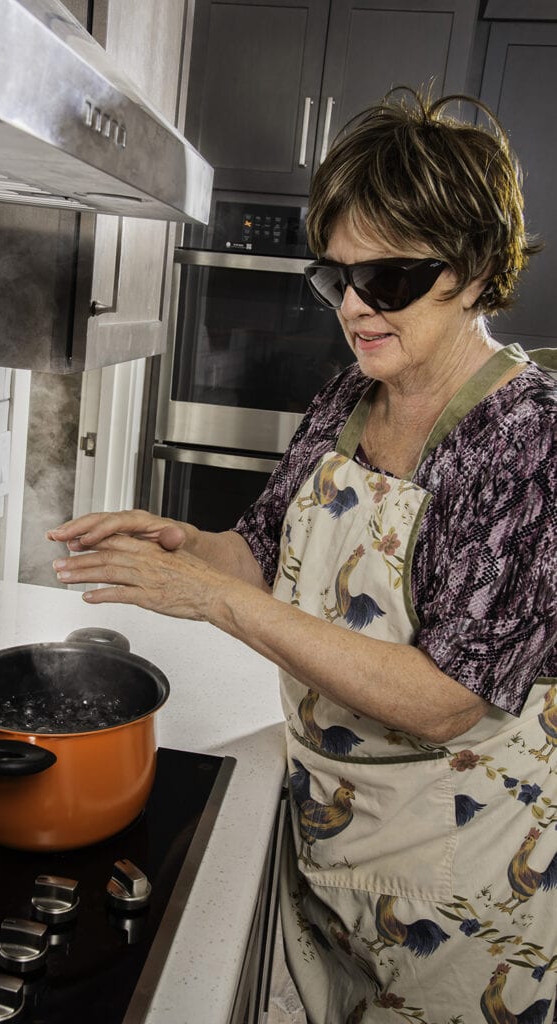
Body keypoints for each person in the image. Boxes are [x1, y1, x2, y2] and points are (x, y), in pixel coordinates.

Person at [47, 88, 557, 1021]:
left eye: (389, 281)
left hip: (462, 885)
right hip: (330, 837)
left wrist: (215, 600)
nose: (355, 308)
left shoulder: (524, 440)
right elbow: (259, 549)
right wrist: (184, 546)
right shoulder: (348, 397)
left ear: (478, 269)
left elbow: (448, 698)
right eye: (336, 279)